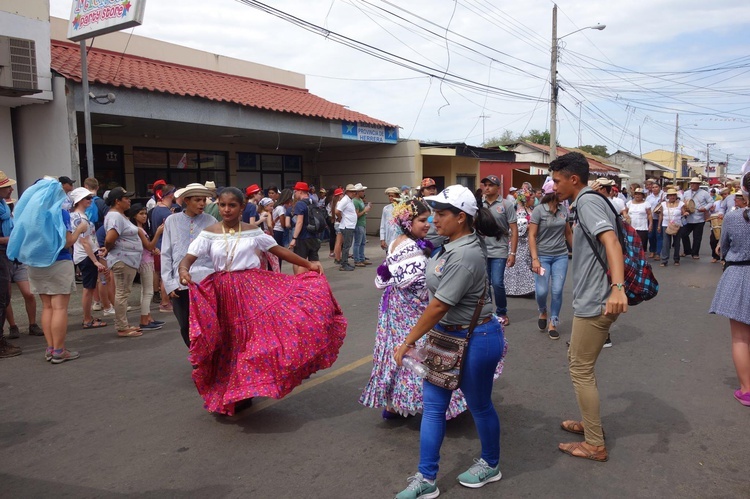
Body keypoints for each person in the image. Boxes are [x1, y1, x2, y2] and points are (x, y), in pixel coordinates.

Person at [178, 187, 347, 415]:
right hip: (221, 293)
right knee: (226, 342)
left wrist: (308, 265)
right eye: (222, 205)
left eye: (232, 205)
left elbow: (279, 251)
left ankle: (246, 388)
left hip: (251, 290)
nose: (226, 209)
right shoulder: (209, 233)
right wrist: (184, 269)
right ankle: (229, 391)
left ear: (242, 207)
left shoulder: (254, 232)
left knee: (250, 340)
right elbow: (189, 258)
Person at [392, 185, 507, 498]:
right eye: (433, 213)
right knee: (433, 409)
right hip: (446, 337)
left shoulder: (466, 253)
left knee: (480, 405)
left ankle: (491, 463)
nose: (433, 220)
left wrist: (408, 341)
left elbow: (439, 305)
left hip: (476, 339)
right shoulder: (445, 245)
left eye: (441, 214)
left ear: (461, 217)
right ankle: (426, 478)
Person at [549, 152, 627, 463]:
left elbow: (611, 242)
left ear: (573, 179)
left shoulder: (587, 201)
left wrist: (617, 289)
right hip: (595, 297)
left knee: (580, 369)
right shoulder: (582, 203)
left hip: (596, 300)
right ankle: (590, 425)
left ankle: (594, 443)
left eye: (556, 180)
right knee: (580, 363)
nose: (553, 186)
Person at [361, 199, 470, 420]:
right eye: (422, 220)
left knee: (400, 354)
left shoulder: (399, 241)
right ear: (407, 223)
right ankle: (431, 406)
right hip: (409, 309)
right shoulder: (410, 248)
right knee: (419, 352)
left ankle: (394, 405)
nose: (428, 224)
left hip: (397, 306)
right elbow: (421, 287)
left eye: (428, 219)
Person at [8, 177, 88, 363]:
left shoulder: (27, 215)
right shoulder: (60, 213)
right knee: (60, 307)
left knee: (47, 307)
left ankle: (51, 348)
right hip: (59, 262)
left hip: (35, 264)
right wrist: (80, 229)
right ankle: (60, 350)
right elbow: (68, 242)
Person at [709, 172, 750, 406]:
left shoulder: (734, 218)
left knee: (741, 338)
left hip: (740, 274)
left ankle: (746, 390)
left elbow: (722, 246)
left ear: (743, 190)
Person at [161, 183, 217, 347]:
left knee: (209, 323)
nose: (202, 204)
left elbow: (216, 253)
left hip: (206, 282)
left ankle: (207, 358)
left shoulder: (211, 221)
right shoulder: (172, 221)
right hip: (180, 284)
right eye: (197, 200)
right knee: (185, 324)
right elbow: (166, 253)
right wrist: (169, 284)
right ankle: (196, 354)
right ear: (186, 200)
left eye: (204, 200)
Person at [529, 180, 573, 340]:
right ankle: (543, 311)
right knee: (541, 291)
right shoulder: (539, 210)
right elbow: (532, 235)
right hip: (542, 256)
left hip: (560, 255)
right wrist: (535, 259)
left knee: (557, 290)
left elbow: (567, 233)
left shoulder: (563, 210)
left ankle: (553, 321)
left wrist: (576, 251)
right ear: (552, 194)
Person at [0, 174, 42, 339]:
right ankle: (12, 327)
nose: (11, 190)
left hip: (16, 257)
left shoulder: (6, 209)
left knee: (27, 293)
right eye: (7, 187)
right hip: (5, 255)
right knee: (5, 296)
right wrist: (8, 240)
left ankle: (32, 324)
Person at [103, 187, 144, 338]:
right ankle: (121, 327)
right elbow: (110, 238)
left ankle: (124, 324)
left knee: (123, 292)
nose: (129, 200)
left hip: (127, 259)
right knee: (122, 293)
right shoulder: (115, 216)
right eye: (126, 198)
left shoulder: (119, 216)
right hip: (123, 259)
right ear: (117, 201)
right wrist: (108, 249)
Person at [480, 174, 517, 326]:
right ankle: (488, 312)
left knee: (497, 283)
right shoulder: (479, 204)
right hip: (482, 249)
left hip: (500, 249)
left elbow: (514, 230)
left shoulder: (506, 204)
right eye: (485, 185)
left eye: (490, 185)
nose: (487, 188)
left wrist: (512, 253)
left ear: (498, 187)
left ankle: (502, 311)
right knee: (484, 283)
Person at [70, 187, 108, 330]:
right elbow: (84, 242)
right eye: (87, 198)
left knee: (90, 288)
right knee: (88, 288)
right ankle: (87, 319)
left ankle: (88, 317)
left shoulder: (79, 216)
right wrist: (95, 261)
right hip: (86, 256)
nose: (90, 200)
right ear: (79, 201)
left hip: (87, 255)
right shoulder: (79, 217)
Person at [128, 204, 166, 331]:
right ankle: (144, 319)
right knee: (148, 291)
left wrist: (153, 249)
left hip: (146, 259)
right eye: (141, 214)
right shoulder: (138, 230)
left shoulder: (139, 229)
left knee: (146, 290)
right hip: (145, 262)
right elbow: (149, 246)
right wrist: (158, 233)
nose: (144, 216)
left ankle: (148, 317)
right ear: (134, 215)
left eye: (145, 214)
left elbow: (148, 247)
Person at [150, 184, 177, 313]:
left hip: (157, 245)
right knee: (166, 275)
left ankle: (164, 300)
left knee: (159, 273)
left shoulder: (156, 209)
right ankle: (165, 302)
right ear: (171, 194)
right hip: (164, 246)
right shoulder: (166, 212)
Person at [289, 181, 322, 274]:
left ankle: (299, 282)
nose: (294, 193)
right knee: (315, 260)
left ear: (300, 191)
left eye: (295, 191)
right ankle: (321, 282)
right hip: (314, 236)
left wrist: (294, 238)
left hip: (303, 237)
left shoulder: (300, 204)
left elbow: (299, 222)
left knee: (299, 261)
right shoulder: (314, 202)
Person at [681, 177, 713, 259]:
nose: (692, 185)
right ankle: (687, 250)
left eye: (694, 183)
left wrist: (705, 208)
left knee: (697, 237)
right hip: (688, 218)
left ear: (698, 184)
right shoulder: (686, 193)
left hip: (699, 218)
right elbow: (681, 202)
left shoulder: (704, 193)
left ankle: (695, 253)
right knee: (683, 234)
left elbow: (711, 202)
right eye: (691, 183)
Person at [658, 189, 685, 267]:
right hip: (666, 225)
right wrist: (659, 225)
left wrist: (685, 213)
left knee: (677, 243)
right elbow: (661, 215)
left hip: (677, 225)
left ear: (676, 196)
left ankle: (676, 259)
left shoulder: (681, 204)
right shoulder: (663, 204)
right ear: (667, 196)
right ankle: (664, 260)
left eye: (674, 195)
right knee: (665, 243)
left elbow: (684, 213)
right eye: (670, 195)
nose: (672, 197)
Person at [336, 184, 358, 271]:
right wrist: (340, 218)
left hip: (349, 225)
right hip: (347, 225)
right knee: (346, 245)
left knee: (347, 245)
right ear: (348, 192)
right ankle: (344, 264)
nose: (354, 193)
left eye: (354, 192)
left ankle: (345, 262)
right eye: (352, 191)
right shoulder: (345, 200)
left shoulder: (349, 200)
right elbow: (337, 210)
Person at [352, 183, 371, 267]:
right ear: (358, 192)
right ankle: (357, 260)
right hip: (358, 224)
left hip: (362, 223)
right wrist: (365, 210)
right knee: (358, 242)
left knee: (362, 242)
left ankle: (361, 258)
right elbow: (356, 215)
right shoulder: (355, 201)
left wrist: (366, 209)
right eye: (362, 191)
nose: (364, 192)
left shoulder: (360, 200)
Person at [646, 183, 665, 259]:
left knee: (659, 235)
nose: (654, 189)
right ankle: (652, 250)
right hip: (651, 218)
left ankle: (658, 252)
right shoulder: (649, 197)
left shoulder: (664, 196)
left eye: (656, 187)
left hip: (660, 219)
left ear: (659, 188)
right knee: (650, 235)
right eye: (653, 187)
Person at [379, 187, 401, 252]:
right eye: (389, 196)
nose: (390, 198)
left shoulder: (403, 208)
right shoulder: (386, 209)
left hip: (399, 238)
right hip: (388, 239)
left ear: (398, 196)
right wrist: (382, 239)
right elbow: (382, 225)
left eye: (392, 196)